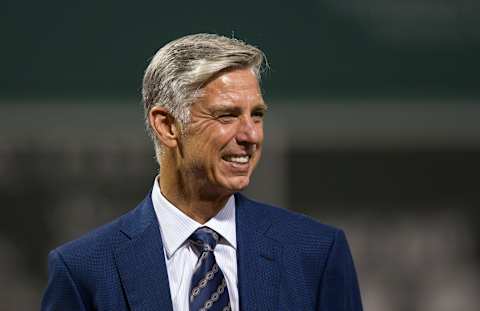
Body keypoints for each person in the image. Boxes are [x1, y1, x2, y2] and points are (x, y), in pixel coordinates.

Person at [41, 33, 363, 311]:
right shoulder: (84, 270)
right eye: (227, 116)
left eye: (257, 115)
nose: (251, 135)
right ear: (167, 126)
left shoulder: (316, 254)